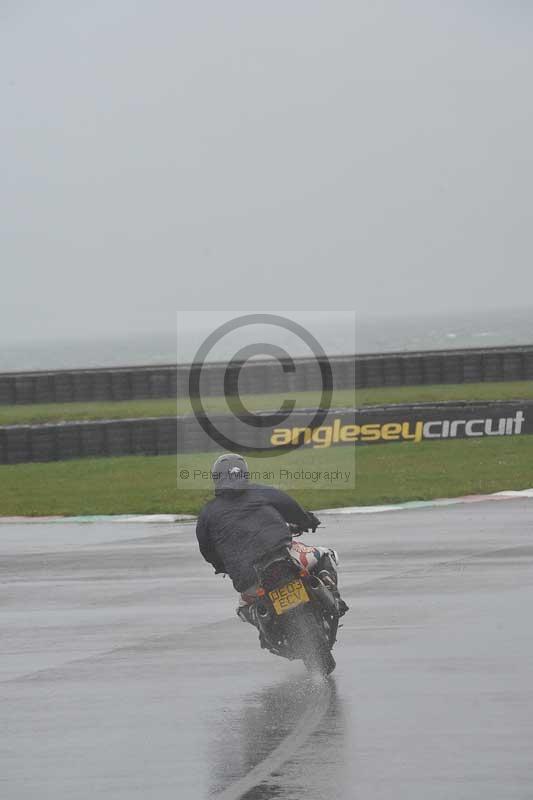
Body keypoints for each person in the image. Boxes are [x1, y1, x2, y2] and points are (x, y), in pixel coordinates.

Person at [195, 452, 348, 624]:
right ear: (245, 474)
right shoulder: (260, 491)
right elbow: (290, 506)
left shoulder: (207, 512)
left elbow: (206, 549)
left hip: (248, 579)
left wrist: (222, 566)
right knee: (325, 554)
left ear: (216, 478)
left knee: (243, 608)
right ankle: (334, 597)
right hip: (282, 558)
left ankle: (266, 625)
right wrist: (308, 521)